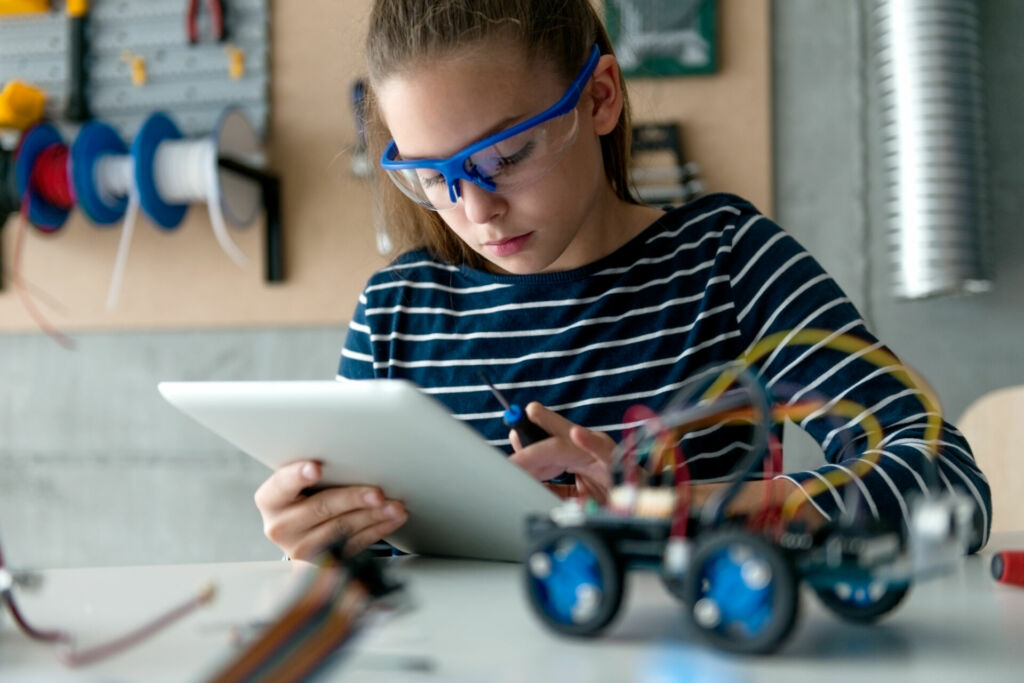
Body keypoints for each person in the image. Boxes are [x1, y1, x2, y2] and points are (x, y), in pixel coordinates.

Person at [254, 0, 990, 560]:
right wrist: (320, 543)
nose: (475, 208)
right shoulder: (395, 313)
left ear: (600, 97)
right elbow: (376, 579)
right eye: (431, 176)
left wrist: (680, 508)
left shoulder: (725, 262)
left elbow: (947, 486)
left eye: (506, 153)